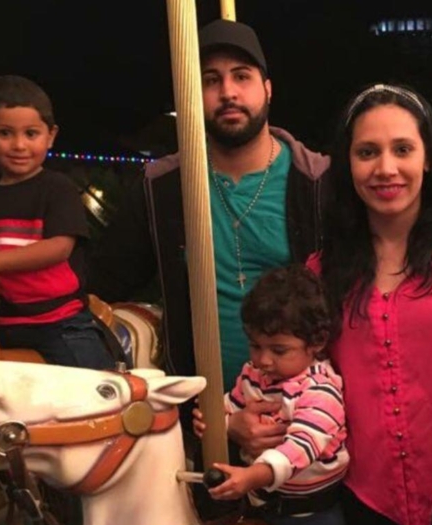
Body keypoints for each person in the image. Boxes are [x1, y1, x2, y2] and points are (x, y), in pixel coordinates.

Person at [225, 83, 432, 525]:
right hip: (364, 500)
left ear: (428, 158)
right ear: (348, 165)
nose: (386, 168)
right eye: (367, 152)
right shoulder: (321, 272)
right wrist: (238, 422)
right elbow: (285, 372)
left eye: (402, 149)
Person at [87, 19, 330, 393]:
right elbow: (103, 278)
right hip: (201, 410)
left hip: (306, 412)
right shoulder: (161, 187)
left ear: (267, 89)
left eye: (241, 76)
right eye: (211, 80)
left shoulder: (315, 183)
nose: (228, 92)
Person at [0, 75, 114, 370]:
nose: (19, 145)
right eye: (4, 133)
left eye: (31, 134)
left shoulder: (56, 188)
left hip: (57, 320)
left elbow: (58, 248)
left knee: (98, 383)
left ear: (50, 136)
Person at [196, 265, 347, 525]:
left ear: (316, 342)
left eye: (279, 350)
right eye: (256, 346)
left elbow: (301, 447)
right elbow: (228, 407)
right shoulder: (254, 375)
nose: (263, 360)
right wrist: (216, 422)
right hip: (258, 507)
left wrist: (253, 475)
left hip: (312, 519)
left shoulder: (321, 390)